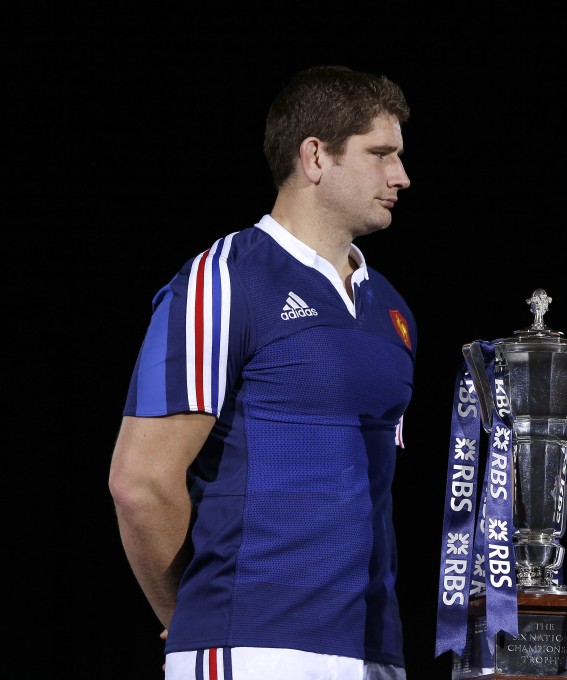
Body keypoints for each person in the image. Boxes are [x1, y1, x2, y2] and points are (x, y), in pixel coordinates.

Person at [108, 65, 416, 680]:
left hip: (374, 653)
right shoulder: (222, 280)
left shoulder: (393, 309)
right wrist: (191, 612)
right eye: (381, 154)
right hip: (249, 649)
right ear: (315, 157)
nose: (400, 176)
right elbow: (140, 483)